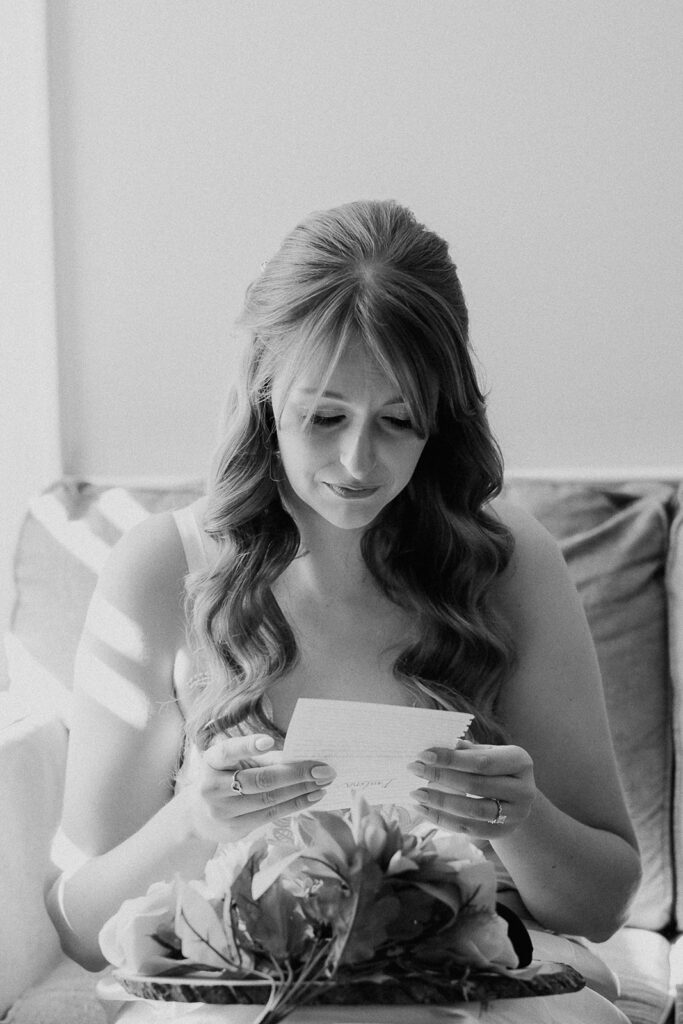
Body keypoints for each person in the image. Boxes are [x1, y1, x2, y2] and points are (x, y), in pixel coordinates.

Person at [46, 199, 641, 1023]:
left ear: (441, 417)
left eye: (398, 421)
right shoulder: (161, 568)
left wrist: (520, 819)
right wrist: (192, 821)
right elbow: (80, 929)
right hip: (249, 991)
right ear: (264, 395)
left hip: (470, 985)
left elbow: (602, 903)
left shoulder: (507, 562)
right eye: (323, 417)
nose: (358, 461)